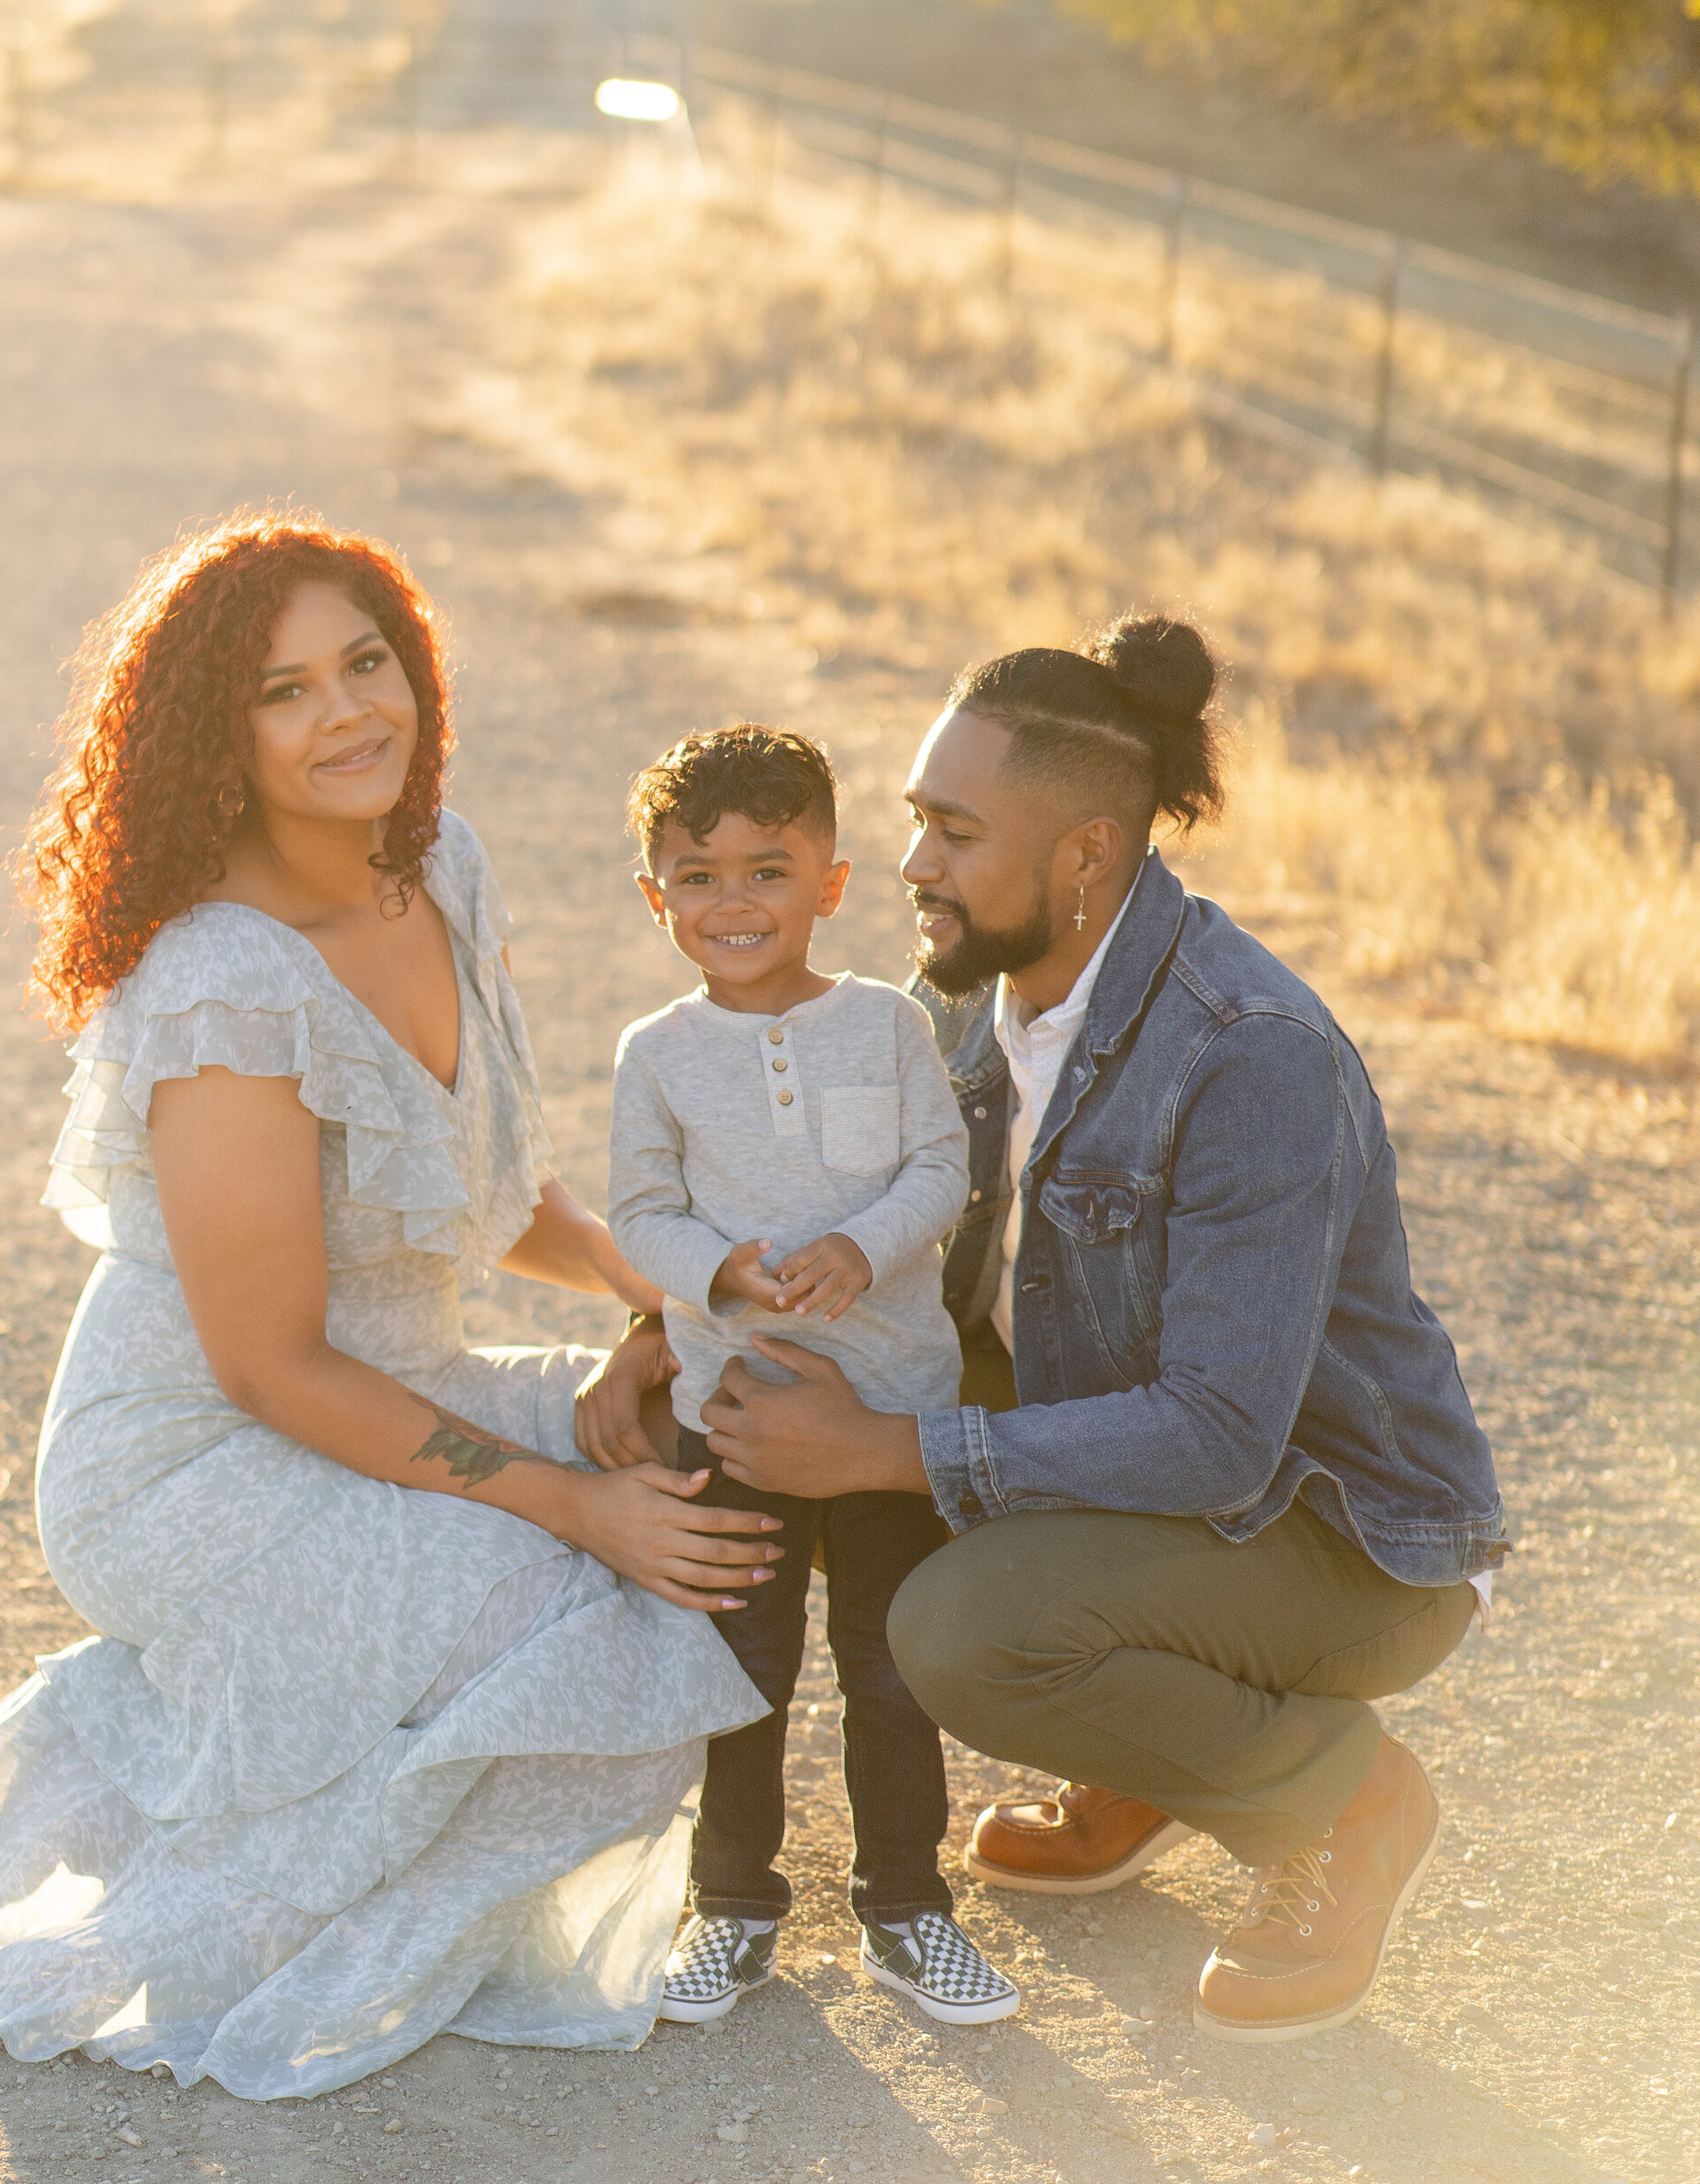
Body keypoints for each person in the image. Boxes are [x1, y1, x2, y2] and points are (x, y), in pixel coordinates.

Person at [0, 512, 776, 2100]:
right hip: (192, 1457)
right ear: (224, 732)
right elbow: (270, 1361)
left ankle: (291, 1763)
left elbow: (496, 1194)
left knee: (694, 1471)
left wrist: (674, 1304)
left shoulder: (443, 865)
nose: (349, 713)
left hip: (393, 1385)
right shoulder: (224, 980)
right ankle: (173, 1779)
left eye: (368, 662)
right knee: (561, 1601)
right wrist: (560, 1495)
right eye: (286, 691)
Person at [585, 616, 1505, 2044]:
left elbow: (1217, 1435)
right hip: (1168, 1492)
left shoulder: (1250, 1053)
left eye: (953, 830)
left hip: (1333, 1535)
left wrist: (892, 1449)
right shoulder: (963, 1002)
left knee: (955, 1627)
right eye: (914, 825)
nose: (912, 868)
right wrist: (662, 1331)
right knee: (869, 1477)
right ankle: (1143, 1758)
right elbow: (841, 1223)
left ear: (1083, 853)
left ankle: (1344, 1796)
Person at [606, 725, 1020, 2031]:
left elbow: (938, 1172)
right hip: (732, 1418)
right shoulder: (656, 1053)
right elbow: (638, 1214)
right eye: (697, 875)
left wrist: (863, 1245)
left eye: (768, 870)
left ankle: (907, 1908)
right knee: (744, 1665)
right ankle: (728, 1907)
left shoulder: (888, 1026)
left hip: (894, 1404)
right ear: (656, 894)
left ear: (832, 882)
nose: (733, 902)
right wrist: (721, 1270)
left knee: (891, 1665)